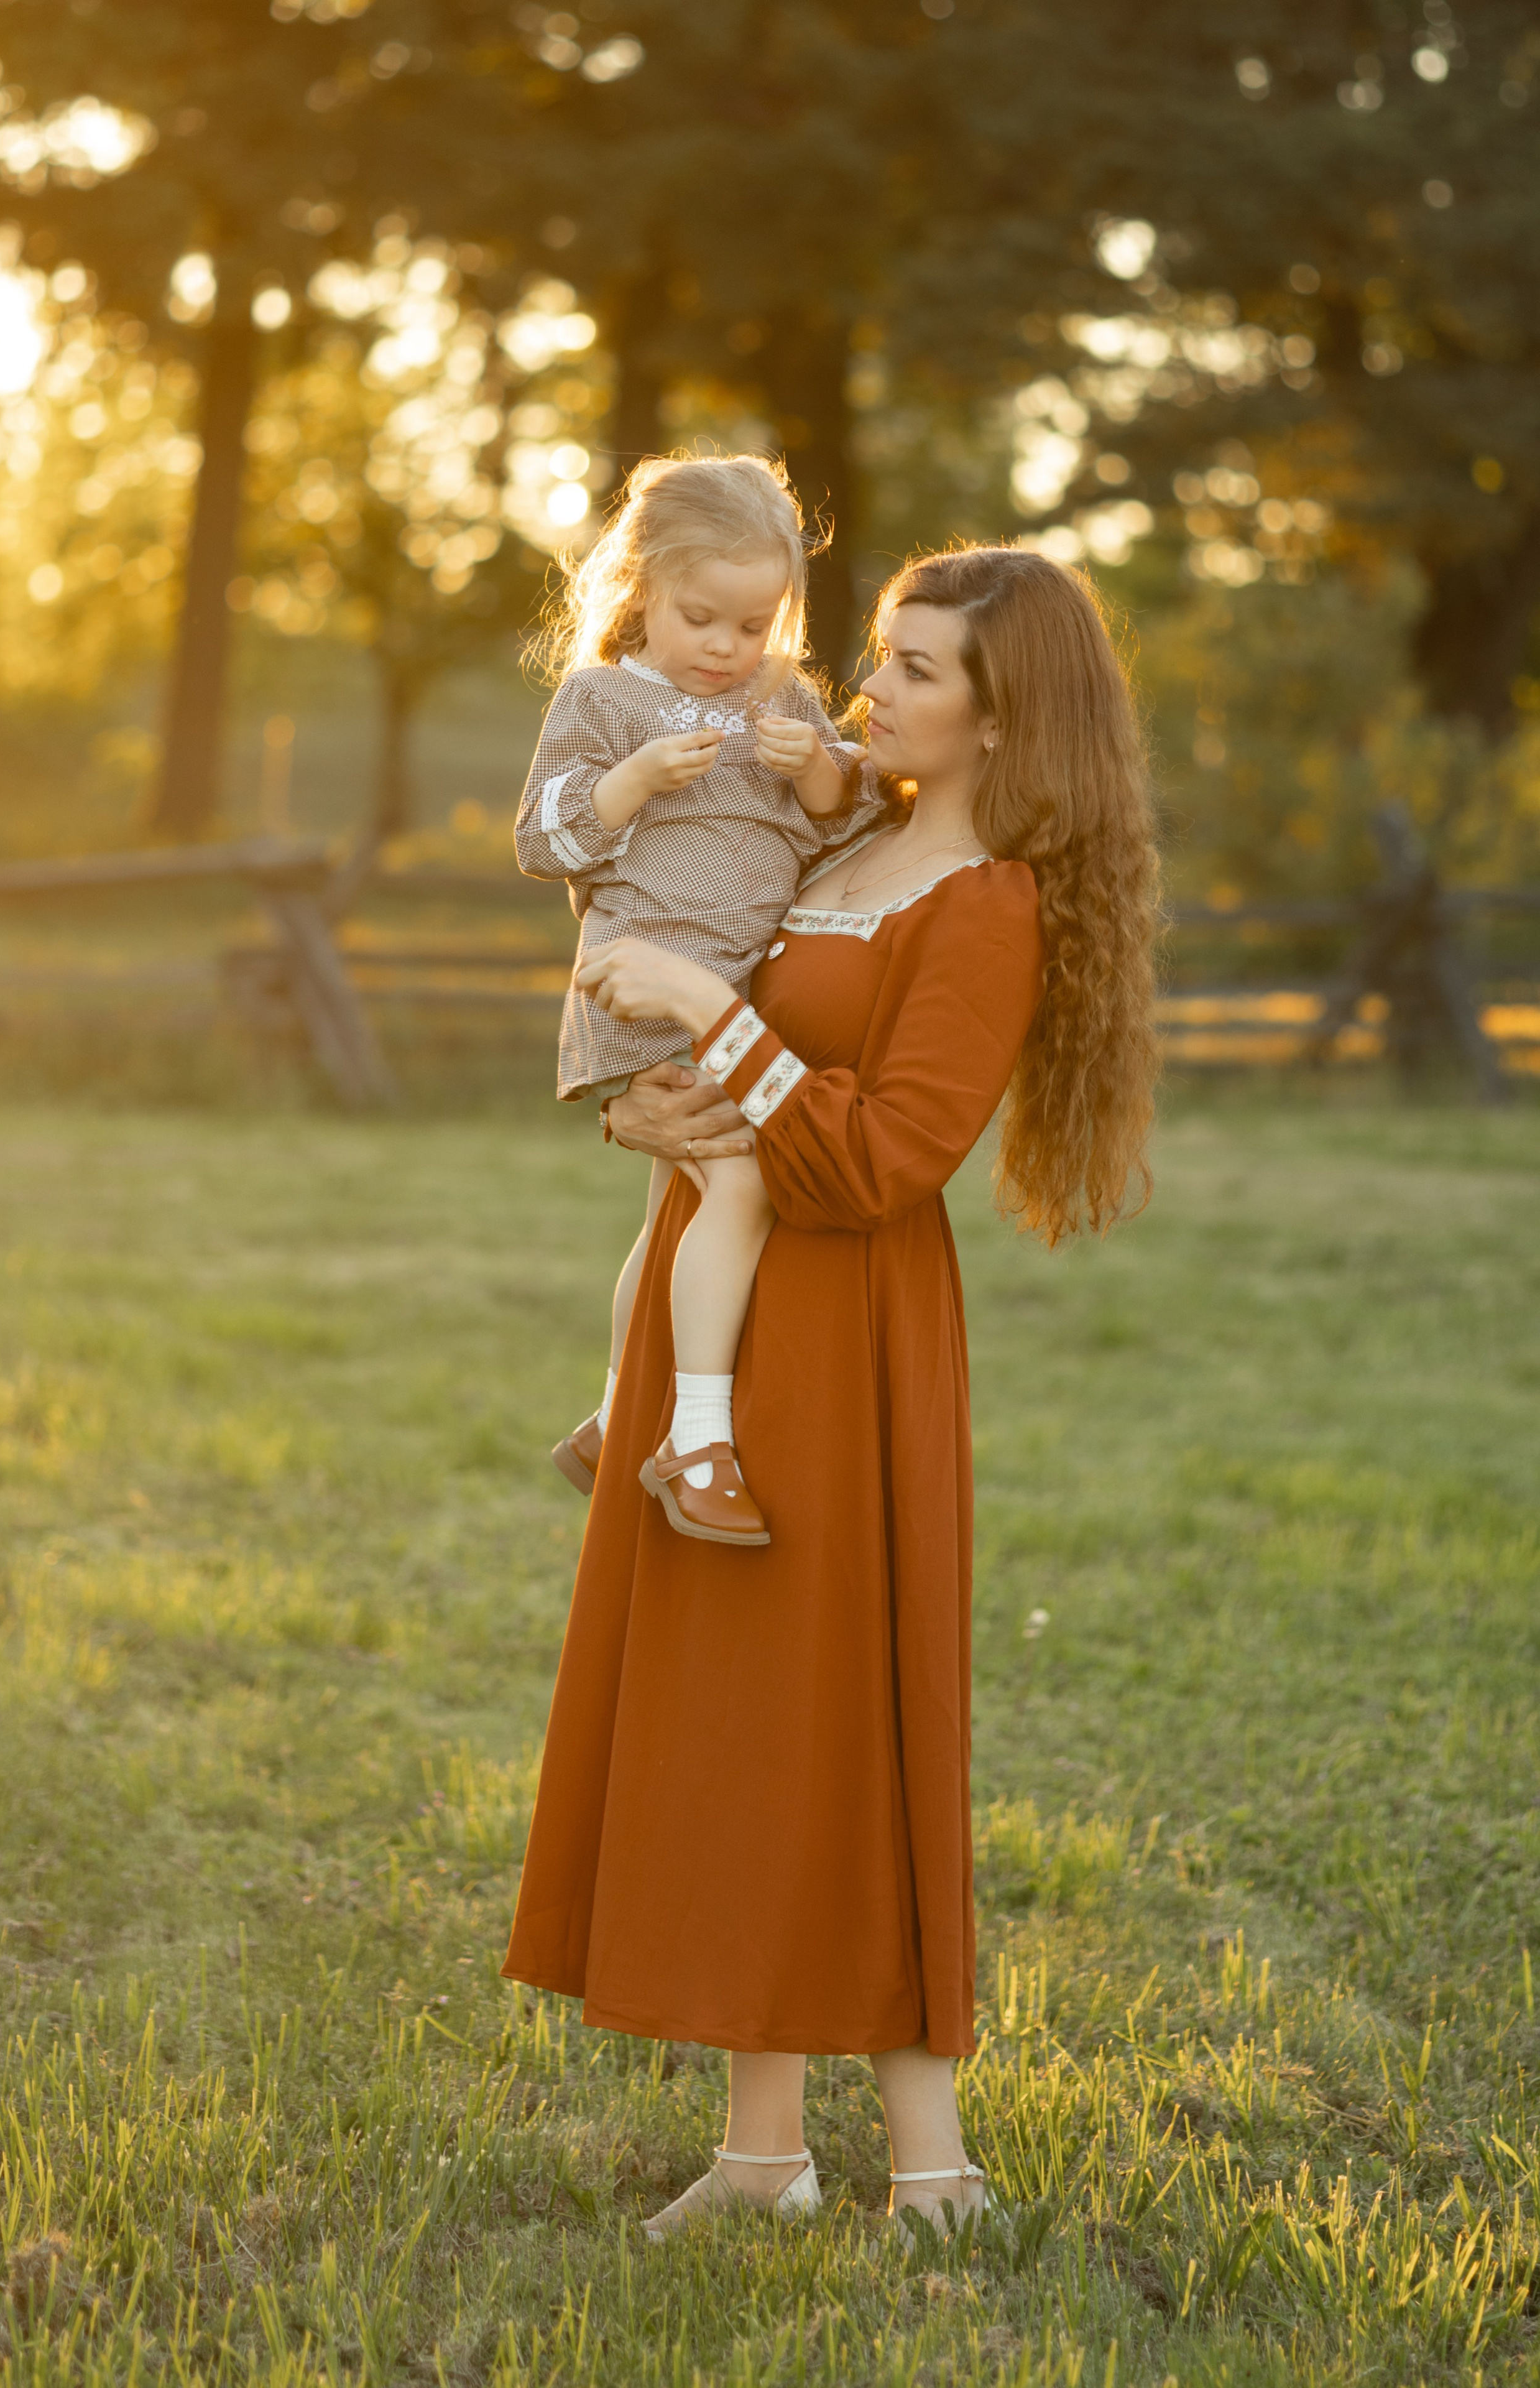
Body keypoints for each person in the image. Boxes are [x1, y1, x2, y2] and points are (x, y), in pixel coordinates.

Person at [505, 544, 1160, 2239]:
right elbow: (674, 987)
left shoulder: (984, 907)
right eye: (881, 653)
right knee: (737, 1719)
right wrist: (641, 1096)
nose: (873, 688)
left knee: (849, 1721)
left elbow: (878, 1162)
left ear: (1011, 721)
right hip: (719, 1317)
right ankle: (763, 2158)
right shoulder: (840, 841)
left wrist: (713, 1018)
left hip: (845, 1333)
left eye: (919, 669)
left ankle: (935, 2172)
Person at [515, 453, 881, 1545]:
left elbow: (840, 833)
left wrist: (817, 769)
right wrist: (629, 785)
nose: (727, 648)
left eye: (753, 624)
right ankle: (698, 1434)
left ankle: (618, 1408)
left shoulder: (787, 700)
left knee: (675, 1208)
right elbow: (542, 841)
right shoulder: (603, 700)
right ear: (640, 590)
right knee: (739, 1178)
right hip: (642, 983)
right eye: (701, 617)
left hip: (737, 996)